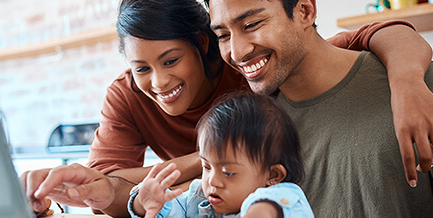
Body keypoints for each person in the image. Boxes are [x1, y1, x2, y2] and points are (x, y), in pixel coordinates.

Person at [20, 0, 433, 216]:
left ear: (203, 45)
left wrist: (407, 84)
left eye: (171, 60)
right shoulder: (128, 94)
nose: (158, 81)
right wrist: (98, 191)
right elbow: (116, 189)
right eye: (141, 68)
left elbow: (377, 35)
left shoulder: (255, 68)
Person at [204, 0, 433, 217]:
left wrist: (408, 82)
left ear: (304, 11)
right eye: (222, 35)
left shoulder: (429, 91)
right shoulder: (258, 126)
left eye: (251, 24)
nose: (237, 50)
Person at [129, 92, 312, 218]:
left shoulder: (282, 196)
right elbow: (170, 209)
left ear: (272, 175)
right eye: (207, 167)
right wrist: (143, 202)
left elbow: (268, 208)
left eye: (228, 172)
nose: (212, 181)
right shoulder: (200, 196)